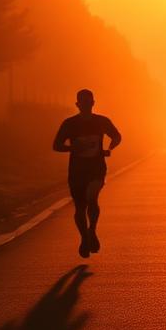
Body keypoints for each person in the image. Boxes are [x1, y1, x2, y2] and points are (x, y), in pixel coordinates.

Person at [52, 89, 122, 258]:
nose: (86, 106)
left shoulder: (102, 121)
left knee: (92, 198)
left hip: (96, 168)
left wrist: (109, 148)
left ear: (93, 103)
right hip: (77, 170)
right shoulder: (69, 124)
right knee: (80, 207)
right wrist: (72, 148)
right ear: (77, 105)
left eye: (89, 103)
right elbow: (56, 145)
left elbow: (117, 136)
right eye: (83, 103)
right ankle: (84, 237)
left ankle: (92, 230)